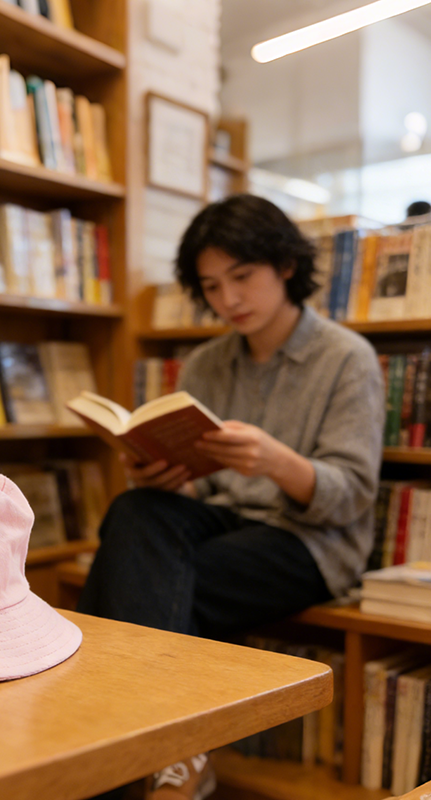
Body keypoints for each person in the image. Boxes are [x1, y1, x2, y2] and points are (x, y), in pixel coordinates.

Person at [78, 194, 386, 800]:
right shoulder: (206, 363)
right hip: (224, 524)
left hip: (309, 541)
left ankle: (111, 751)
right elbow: (207, 488)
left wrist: (280, 463)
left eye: (242, 277)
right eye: (212, 286)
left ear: (286, 266)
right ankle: (173, 753)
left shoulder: (346, 358)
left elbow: (351, 497)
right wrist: (164, 475)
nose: (229, 299)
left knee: (142, 577)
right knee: (137, 509)